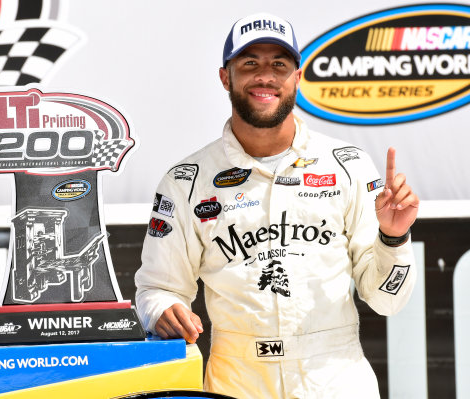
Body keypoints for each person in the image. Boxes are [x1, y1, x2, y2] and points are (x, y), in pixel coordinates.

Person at [135, 12, 419, 399]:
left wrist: (394, 236)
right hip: (235, 381)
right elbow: (157, 288)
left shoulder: (346, 166)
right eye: (250, 63)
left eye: (279, 65)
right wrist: (163, 310)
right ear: (225, 77)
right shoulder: (186, 180)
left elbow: (387, 300)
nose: (265, 76)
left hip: (336, 380)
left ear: (297, 79)